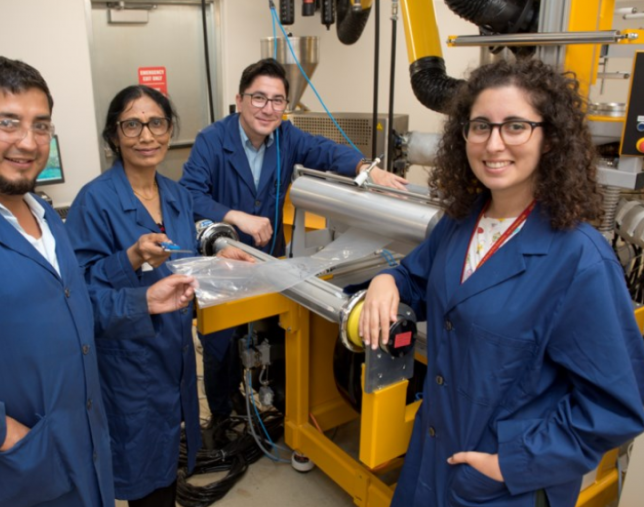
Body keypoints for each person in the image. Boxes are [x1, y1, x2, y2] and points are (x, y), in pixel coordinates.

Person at [0, 56, 196, 507]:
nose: (28, 142)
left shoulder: (44, 215)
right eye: (7, 124)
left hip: (83, 450)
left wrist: (142, 302)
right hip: (16, 470)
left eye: (41, 126)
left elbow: (76, 306)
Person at [359, 58, 644, 507]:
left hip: (502, 483)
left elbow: (616, 405)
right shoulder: (459, 223)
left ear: (548, 139)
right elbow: (415, 277)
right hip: (431, 458)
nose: (494, 144)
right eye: (480, 127)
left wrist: (511, 463)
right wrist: (385, 280)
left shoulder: (580, 261)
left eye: (515, 126)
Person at [179, 58, 410, 425]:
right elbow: (188, 194)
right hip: (223, 259)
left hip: (269, 259)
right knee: (221, 344)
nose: (267, 109)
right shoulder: (212, 140)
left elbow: (327, 151)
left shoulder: (287, 137)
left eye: (277, 100)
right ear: (239, 99)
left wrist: (367, 169)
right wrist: (235, 217)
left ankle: (262, 399)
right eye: (258, 98)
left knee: (262, 335)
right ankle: (224, 417)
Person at [65, 84, 253, 507]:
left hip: (177, 354)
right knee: (143, 476)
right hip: (129, 363)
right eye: (132, 124)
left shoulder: (175, 194)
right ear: (114, 135)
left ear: (169, 131)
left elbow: (185, 248)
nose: (146, 136)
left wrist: (219, 250)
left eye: (156, 123)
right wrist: (130, 257)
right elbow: (79, 290)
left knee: (167, 464)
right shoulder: (94, 201)